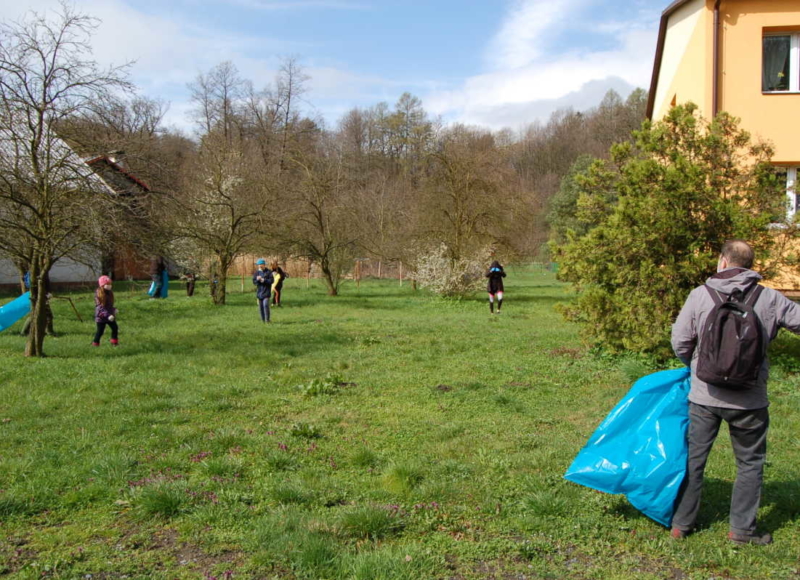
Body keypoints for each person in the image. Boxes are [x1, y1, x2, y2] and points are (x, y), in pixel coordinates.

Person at [670, 240, 800, 545]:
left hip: (704, 397)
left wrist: (696, 366)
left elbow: (680, 341)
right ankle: (741, 531)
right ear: (750, 265)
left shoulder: (700, 295)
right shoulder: (770, 298)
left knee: (694, 460)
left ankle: (681, 524)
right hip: (750, 400)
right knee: (750, 463)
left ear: (723, 262)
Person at [92, 275, 119, 347]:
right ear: (102, 285)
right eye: (107, 284)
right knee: (100, 331)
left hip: (110, 316)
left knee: (115, 328)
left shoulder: (109, 293)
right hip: (101, 317)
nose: (110, 286)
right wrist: (108, 315)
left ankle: (114, 342)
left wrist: (113, 309)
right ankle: (95, 343)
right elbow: (100, 308)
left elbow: (109, 306)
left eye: (110, 284)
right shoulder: (99, 295)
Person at [252, 259, 274, 323]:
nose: (259, 266)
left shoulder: (269, 272)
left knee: (265, 305)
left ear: (264, 265)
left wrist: (264, 280)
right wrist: (257, 280)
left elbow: (271, 281)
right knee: (260, 307)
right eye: (258, 265)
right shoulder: (256, 273)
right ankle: (263, 320)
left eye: (260, 265)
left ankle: (267, 320)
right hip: (259, 293)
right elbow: (254, 282)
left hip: (266, 292)